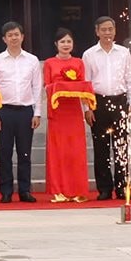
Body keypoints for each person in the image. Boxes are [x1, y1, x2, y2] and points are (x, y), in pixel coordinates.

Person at [0, 21, 44, 204]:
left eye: (16, 34)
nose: (14, 38)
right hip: (4, 111)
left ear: (22, 37)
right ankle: (6, 191)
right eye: (10, 35)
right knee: (5, 153)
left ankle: (24, 190)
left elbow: (37, 87)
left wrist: (37, 112)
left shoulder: (32, 60)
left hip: (25, 111)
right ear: (4, 39)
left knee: (24, 153)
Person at [82, 16, 131, 201]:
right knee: (101, 148)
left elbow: (130, 80)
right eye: (103, 30)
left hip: (120, 102)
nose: (107, 33)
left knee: (122, 147)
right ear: (97, 32)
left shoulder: (124, 52)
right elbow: (86, 83)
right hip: (98, 103)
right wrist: (87, 108)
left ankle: (122, 187)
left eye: (110, 29)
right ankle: (104, 188)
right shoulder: (89, 54)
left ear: (115, 30)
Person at [42, 28, 95, 203]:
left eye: (69, 41)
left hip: (74, 113)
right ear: (56, 44)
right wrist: (61, 87)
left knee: (75, 152)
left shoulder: (79, 63)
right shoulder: (49, 63)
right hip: (57, 112)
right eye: (62, 42)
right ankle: (60, 191)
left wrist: (87, 108)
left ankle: (77, 190)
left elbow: (84, 88)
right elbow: (47, 87)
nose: (66, 45)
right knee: (59, 152)